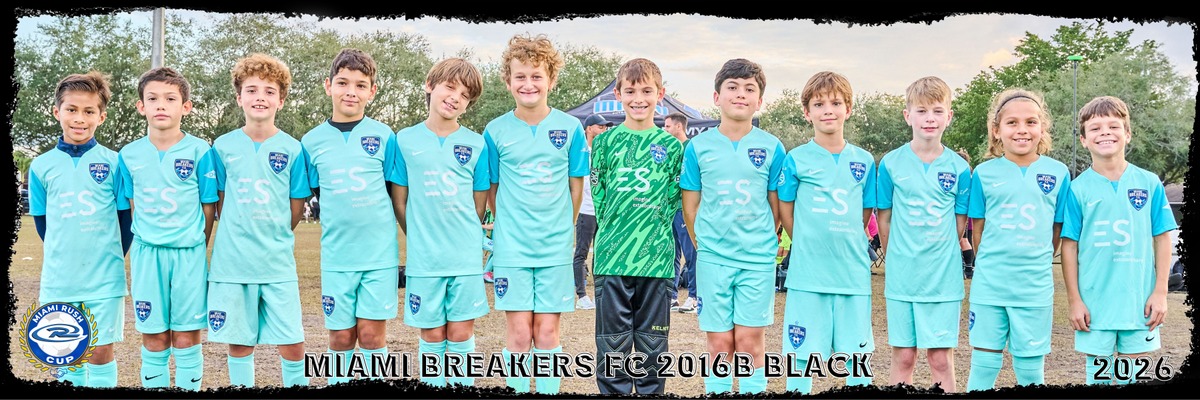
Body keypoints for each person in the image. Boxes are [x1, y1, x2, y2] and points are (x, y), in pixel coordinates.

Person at [482, 33, 588, 394]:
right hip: (512, 248)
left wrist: (561, 226)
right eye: (520, 76)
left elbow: (575, 187)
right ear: (508, 81)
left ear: (551, 80)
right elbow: (493, 188)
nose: (528, 84)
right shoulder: (495, 130)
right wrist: (508, 225)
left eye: (537, 76)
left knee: (547, 332)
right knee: (518, 333)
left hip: (554, 248)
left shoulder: (570, 128)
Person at [206, 53, 310, 388]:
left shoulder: (293, 149)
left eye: (269, 91)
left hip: (276, 262)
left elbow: (296, 206)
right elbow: (221, 200)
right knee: (240, 342)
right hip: (233, 263)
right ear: (239, 98)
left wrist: (273, 231)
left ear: (281, 100)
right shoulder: (222, 147)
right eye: (251, 90)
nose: (260, 97)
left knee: (292, 341)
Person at [680, 58, 783, 394]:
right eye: (733, 87)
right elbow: (690, 207)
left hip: (756, 259)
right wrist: (705, 245)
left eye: (749, 89)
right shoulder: (698, 147)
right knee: (720, 343)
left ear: (759, 101)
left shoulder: (772, 147)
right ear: (717, 97)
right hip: (714, 258)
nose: (741, 94)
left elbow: (775, 206)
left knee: (750, 341)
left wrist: (763, 240)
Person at [300, 48, 403, 383]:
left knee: (372, 336)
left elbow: (394, 192)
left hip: (378, 257)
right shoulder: (311, 142)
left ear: (372, 91)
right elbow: (316, 192)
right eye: (343, 82)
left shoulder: (385, 136)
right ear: (328, 85)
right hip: (337, 257)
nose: (351, 92)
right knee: (341, 337)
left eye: (360, 85)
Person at [1061, 96, 1176, 385]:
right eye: (1095, 128)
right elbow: (1069, 246)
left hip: (1139, 302)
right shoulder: (1077, 189)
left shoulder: (1149, 182)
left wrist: (1160, 292)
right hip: (1094, 304)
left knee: (1131, 378)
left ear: (1127, 134)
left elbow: (1162, 237)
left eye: (1113, 126)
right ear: (1084, 140)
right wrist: (1075, 300)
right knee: (1098, 378)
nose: (1105, 133)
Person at [28, 71, 132, 387]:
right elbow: (43, 223)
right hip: (60, 278)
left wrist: (109, 256)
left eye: (89, 111)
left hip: (105, 278)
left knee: (100, 352)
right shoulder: (41, 166)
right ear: (56, 111)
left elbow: (125, 220)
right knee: (67, 351)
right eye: (71, 109)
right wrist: (65, 252)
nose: (79, 118)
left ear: (101, 116)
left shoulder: (115, 162)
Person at [117, 67, 218, 390]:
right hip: (147, 255)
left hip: (188, 255)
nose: (161, 105)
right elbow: (132, 204)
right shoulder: (129, 155)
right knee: (154, 335)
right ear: (141, 106)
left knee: (187, 336)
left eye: (170, 99)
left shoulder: (201, 151)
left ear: (185, 107)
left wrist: (196, 242)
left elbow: (208, 206)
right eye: (153, 98)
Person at [777, 71, 877, 394]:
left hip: (852, 277)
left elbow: (864, 214)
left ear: (849, 108)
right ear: (807, 113)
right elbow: (786, 210)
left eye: (835, 103)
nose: (828, 110)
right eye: (819, 104)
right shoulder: (796, 159)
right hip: (808, 277)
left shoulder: (864, 161)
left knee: (858, 364)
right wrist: (806, 240)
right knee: (800, 361)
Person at [965, 88, 1071, 391]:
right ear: (997, 130)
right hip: (990, 285)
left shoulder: (1058, 173)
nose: (1022, 129)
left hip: (1034, 287)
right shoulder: (983, 173)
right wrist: (993, 262)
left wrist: (1034, 258)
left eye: (1030, 122)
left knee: (1030, 369)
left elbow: (1056, 230)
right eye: (1012, 123)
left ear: (1042, 128)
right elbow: (978, 230)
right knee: (984, 363)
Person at [393, 57, 489, 388]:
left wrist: (464, 236)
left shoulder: (477, 143)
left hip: (464, 259)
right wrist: (420, 236)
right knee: (432, 334)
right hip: (425, 260)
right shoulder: (404, 140)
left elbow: (478, 206)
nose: (455, 98)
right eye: (450, 87)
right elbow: (400, 201)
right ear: (430, 85)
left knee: (460, 332)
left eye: (465, 95)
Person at [590, 57, 682, 395]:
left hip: (655, 260)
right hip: (612, 258)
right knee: (612, 350)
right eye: (630, 91)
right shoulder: (604, 143)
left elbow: (672, 198)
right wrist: (619, 230)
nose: (638, 98)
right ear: (618, 94)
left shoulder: (672, 147)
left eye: (646, 91)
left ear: (660, 94)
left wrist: (649, 230)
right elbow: (599, 196)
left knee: (652, 351)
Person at [875, 76, 971, 392]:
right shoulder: (890, 163)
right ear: (908, 116)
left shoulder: (960, 168)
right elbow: (884, 218)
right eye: (921, 111)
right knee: (904, 357)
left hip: (942, 279)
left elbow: (959, 223)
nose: (930, 118)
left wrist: (939, 251)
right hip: (903, 277)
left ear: (949, 116)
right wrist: (896, 257)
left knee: (940, 359)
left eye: (937, 111)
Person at [573, 113, 612, 310]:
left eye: (606, 127)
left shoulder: (605, 153)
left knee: (601, 253)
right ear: (589, 129)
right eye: (600, 127)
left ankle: (599, 294)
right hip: (585, 209)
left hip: (602, 211)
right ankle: (581, 296)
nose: (604, 130)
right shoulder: (581, 152)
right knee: (581, 252)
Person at [664, 111, 698, 312]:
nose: (665, 130)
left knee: (691, 254)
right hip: (670, 209)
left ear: (679, 126)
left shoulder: (690, 148)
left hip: (685, 209)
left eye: (667, 126)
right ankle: (672, 296)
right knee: (672, 254)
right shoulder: (668, 149)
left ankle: (694, 297)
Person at [957, 149, 976, 279]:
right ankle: (968, 267)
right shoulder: (970, 172)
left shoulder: (962, 172)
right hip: (969, 211)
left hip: (963, 210)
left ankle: (967, 268)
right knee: (966, 239)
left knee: (963, 239)